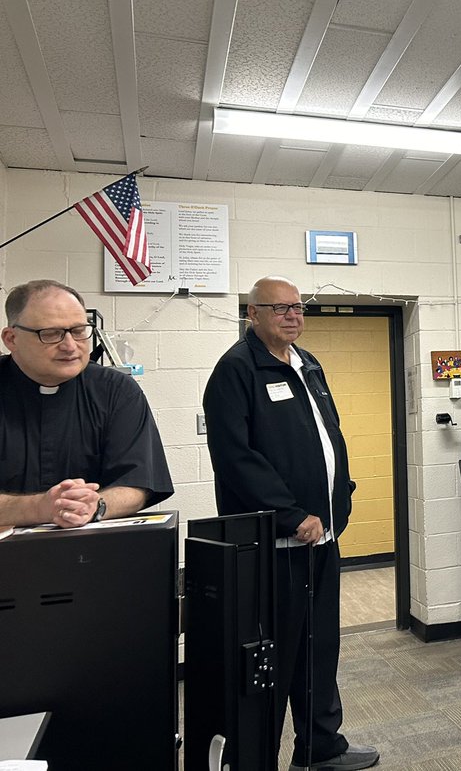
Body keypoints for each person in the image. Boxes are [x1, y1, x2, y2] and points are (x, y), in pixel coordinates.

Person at [203, 276, 378, 771]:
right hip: (274, 544)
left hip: (321, 538)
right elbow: (236, 457)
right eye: (278, 308)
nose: (292, 316)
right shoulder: (236, 370)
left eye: (298, 307)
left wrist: (339, 498)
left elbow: (329, 438)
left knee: (320, 649)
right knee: (270, 663)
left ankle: (319, 748)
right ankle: (254, 760)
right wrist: (290, 513)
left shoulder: (308, 364)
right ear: (251, 315)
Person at [0, 279, 172, 527]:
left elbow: (137, 483)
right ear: (11, 338)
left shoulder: (117, 391)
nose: (70, 346)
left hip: (92, 549)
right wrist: (40, 507)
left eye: (79, 331)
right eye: (50, 334)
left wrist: (95, 505)